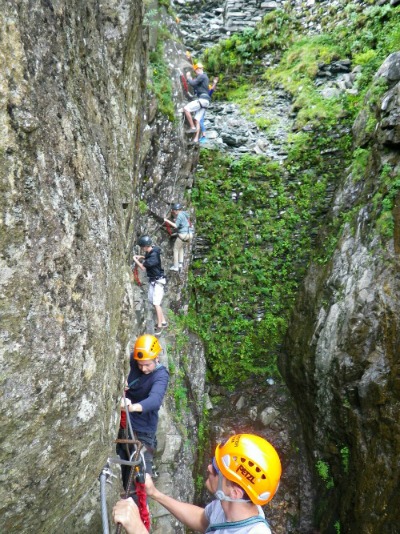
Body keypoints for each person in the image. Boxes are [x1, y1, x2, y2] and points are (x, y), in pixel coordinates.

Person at [113, 433, 282, 533]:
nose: (209, 468)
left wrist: (138, 529)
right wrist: (156, 494)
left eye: (217, 470)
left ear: (235, 492)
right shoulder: (229, 507)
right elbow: (203, 520)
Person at [116, 334, 169, 493]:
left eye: (147, 365)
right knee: (124, 465)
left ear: (156, 358)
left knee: (138, 478)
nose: (143, 369)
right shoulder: (133, 359)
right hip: (125, 425)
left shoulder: (161, 375)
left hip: (143, 431)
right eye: (140, 365)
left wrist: (132, 407)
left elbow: (154, 400)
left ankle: (135, 509)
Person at [132, 236, 167, 334]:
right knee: (152, 300)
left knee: (156, 303)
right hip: (154, 281)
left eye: (142, 247)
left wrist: (135, 260)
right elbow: (147, 256)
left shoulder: (153, 258)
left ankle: (160, 326)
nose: (142, 248)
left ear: (145, 246)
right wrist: (141, 257)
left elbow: (143, 267)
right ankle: (163, 321)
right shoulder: (153, 250)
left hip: (158, 282)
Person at [183, 62, 211, 144]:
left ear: (201, 69)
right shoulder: (204, 78)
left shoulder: (202, 76)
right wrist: (191, 80)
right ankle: (196, 139)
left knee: (186, 109)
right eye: (197, 70)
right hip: (206, 102)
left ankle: (192, 127)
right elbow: (195, 85)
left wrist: (188, 77)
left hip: (202, 99)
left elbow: (193, 83)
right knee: (197, 119)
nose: (198, 71)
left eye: (199, 69)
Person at [163, 203, 194, 272]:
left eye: (174, 210)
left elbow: (175, 226)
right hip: (189, 234)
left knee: (176, 249)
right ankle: (180, 263)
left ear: (177, 210)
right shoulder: (184, 213)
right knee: (181, 247)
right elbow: (185, 221)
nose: (173, 212)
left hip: (183, 235)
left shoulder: (179, 216)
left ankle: (176, 266)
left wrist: (167, 220)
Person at [200, 76, 219, 143]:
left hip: (202, 107)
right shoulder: (202, 91)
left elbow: (212, 89)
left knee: (200, 120)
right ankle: (201, 135)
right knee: (199, 120)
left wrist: (214, 83)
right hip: (199, 105)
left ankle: (203, 136)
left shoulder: (208, 93)